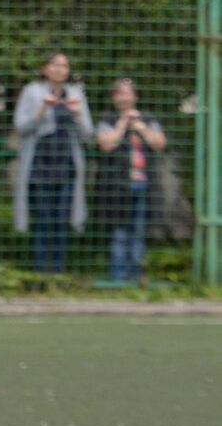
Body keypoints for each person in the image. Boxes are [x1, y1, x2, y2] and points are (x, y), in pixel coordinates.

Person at [12, 51, 94, 273]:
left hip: (66, 168)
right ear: (45, 68)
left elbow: (88, 133)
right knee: (42, 219)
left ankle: (57, 271)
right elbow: (21, 127)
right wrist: (41, 111)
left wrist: (77, 114)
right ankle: (40, 270)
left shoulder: (76, 93)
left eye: (65, 66)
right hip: (39, 168)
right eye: (55, 65)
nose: (60, 69)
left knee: (61, 221)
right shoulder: (32, 91)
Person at [95, 77, 167, 283]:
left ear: (135, 96)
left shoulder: (147, 119)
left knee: (139, 231)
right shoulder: (108, 119)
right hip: (116, 187)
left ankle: (136, 275)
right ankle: (117, 277)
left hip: (143, 185)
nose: (124, 97)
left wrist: (140, 127)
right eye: (119, 93)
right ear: (113, 98)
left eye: (127, 93)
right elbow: (106, 144)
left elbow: (160, 144)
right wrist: (122, 124)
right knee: (119, 231)